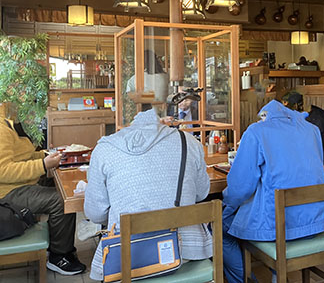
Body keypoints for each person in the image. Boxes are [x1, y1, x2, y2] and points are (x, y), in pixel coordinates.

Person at [84, 109, 212, 281]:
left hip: (130, 258)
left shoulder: (104, 150)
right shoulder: (188, 141)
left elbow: (95, 214)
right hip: (187, 250)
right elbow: (202, 193)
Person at [221, 100, 324, 283]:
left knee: (220, 226)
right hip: (316, 222)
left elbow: (240, 186)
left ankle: (247, 279)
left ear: (265, 116)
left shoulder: (257, 132)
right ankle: (277, 273)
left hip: (279, 230)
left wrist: (227, 205)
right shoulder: (312, 130)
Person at [0, 115, 86, 275]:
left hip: (19, 185)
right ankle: (59, 256)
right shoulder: (2, 128)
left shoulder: (7, 123)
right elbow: (3, 170)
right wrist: (43, 165)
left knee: (61, 185)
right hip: (6, 195)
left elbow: (22, 157)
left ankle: (59, 244)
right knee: (60, 200)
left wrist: (46, 155)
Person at [283, 91, 324, 182]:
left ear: (296, 107)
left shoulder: (319, 123)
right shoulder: (307, 117)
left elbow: (318, 157)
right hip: (311, 173)